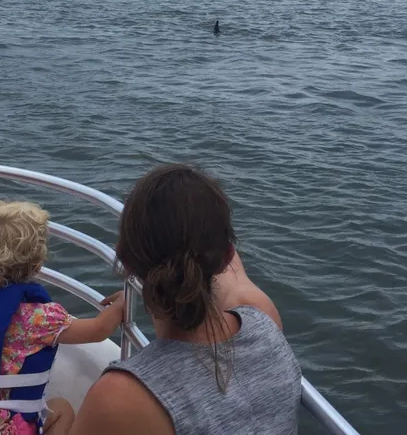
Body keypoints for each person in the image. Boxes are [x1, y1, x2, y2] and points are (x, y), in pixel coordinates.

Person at [70, 164, 302, 435]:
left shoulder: (121, 397)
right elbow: (232, 276)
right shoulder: (265, 323)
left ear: (124, 258)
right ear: (226, 257)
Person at [0, 200, 125, 435]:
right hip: (2, 430)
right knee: (63, 411)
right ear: (37, 263)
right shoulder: (39, 319)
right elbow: (99, 329)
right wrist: (122, 301)